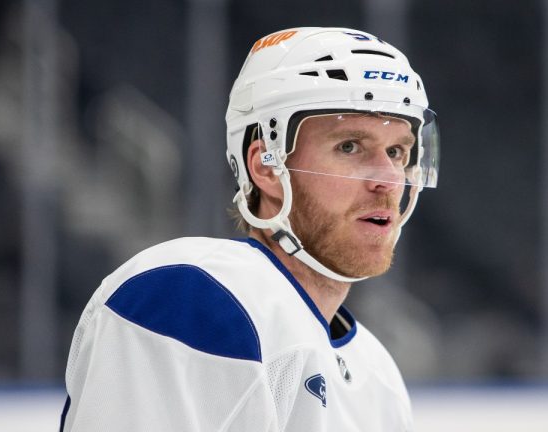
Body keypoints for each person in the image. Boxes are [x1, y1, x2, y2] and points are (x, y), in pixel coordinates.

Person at [60, 27, 439, 431]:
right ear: (267, 167)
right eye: (349, 146)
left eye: (397, 151)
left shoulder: (377, 373)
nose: (389, 179)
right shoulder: (192, 297)